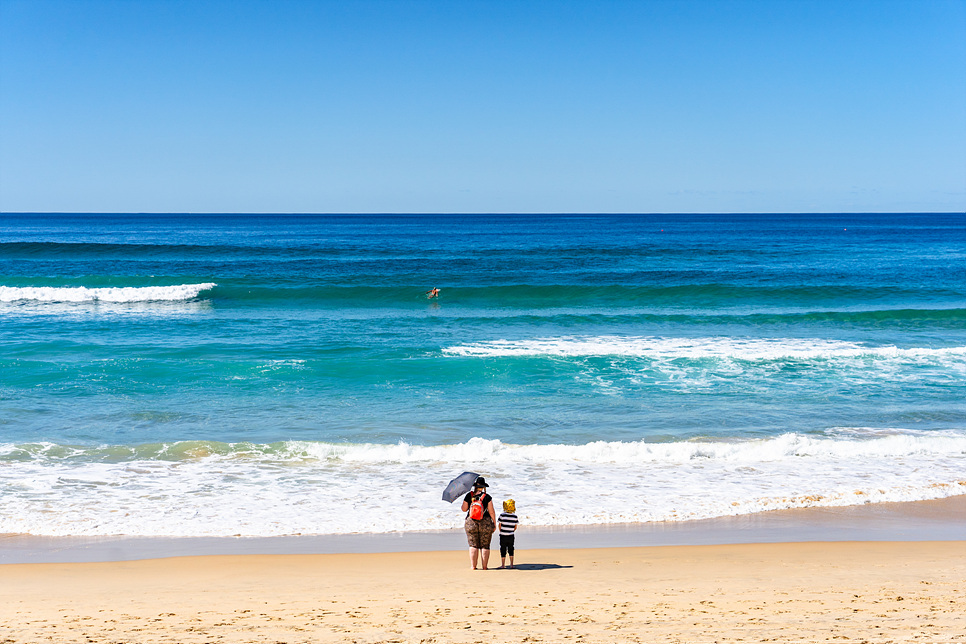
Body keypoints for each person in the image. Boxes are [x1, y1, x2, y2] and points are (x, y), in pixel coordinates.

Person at [461, 476, 496, 570]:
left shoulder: (469, 495)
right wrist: (494, 523)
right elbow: (491, 511)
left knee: (473, 545)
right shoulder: (487, 497)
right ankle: (485, 567)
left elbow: (464, 509)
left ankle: (473, 566)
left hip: (471, 522)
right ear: (484, 487)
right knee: (485, 545)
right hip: (485, 522)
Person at [498, 498, 519, 569]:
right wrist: (511, 531)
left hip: (503, 535)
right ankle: (511, 564)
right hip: (511, 535)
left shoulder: (502, 515)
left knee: (503, 549)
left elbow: (499, 525)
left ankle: (503, 565)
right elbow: (515, 527)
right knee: (511, 549)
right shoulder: (515, 516)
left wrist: (501, 531)